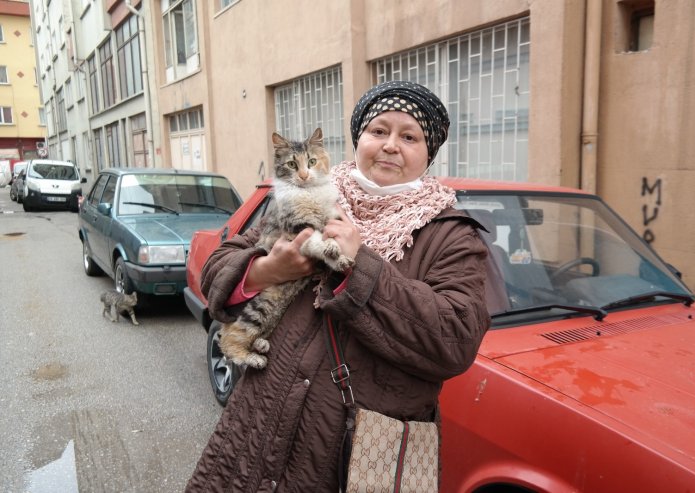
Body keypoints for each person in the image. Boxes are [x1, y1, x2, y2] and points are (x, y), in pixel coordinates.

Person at [186, 80, 491, 492]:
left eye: (409, 136)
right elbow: (217, 266)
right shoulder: (304, 195)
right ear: (358, 139)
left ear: (428, 153)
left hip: (355, 453)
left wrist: (359, 266)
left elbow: (456, 338)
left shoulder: (451, 235)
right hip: (257, 430)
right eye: (378, 131)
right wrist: (266, 271)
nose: (390, 145)